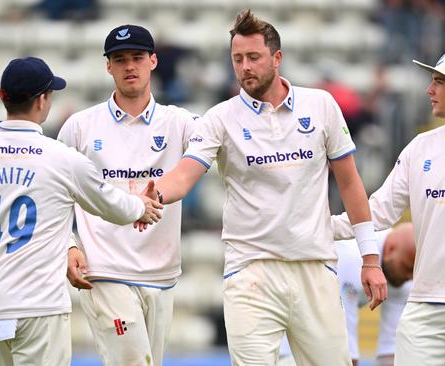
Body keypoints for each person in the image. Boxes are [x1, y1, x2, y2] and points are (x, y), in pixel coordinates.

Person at [139, 10, 387, 365]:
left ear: (277, 58)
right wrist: (155, 194)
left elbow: (350, 182)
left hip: (313, 266)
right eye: (237, 59)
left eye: (253, 57)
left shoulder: (320, 106)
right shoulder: (220, 118)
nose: (244, 68)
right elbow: (185, 174)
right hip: (250, 271)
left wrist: (370, 258)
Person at [0, 56, 163, 366]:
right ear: (43, 100)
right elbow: (113, 206)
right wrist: (142, 206)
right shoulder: (62, 158)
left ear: (3, 97)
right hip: (40, 306)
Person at [332, 50, 445, 365]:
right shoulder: (421, 147)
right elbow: (379, 210)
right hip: (424, 304)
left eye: (438, 82)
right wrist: (319, 226)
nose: (429, 90)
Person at [58, 24, 197, 366]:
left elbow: (221, 152)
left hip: (161, 273)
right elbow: (52, 196)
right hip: (104, 269)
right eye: (119, 59)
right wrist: (69, 246)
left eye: (137, 57)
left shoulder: (180, 123)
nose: (129, 66)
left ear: (153, 61)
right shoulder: (80, 126)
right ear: (108, 66)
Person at [279, 223, 415, 366]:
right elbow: (346, 341)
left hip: (318, 329)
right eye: (407, 268)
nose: (409, 277)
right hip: (288, 328)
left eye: (413, 272)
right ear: (390, 249)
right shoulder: (353, 257)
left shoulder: (402, 272)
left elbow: (390, 347)